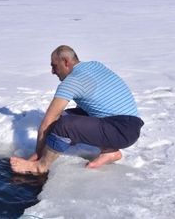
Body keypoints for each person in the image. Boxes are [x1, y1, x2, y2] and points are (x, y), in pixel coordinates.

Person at [10, 45, 144, 174]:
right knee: (64, 116)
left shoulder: (72, 81)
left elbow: (48, 121)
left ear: (66, 62)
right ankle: (110, 151)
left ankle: (41, 166)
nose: (52, 71)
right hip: (128, 125)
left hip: (121, 130)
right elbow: (96, 99)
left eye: (54, 66)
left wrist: (38, 155)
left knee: (64, 125)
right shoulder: (95, 65)